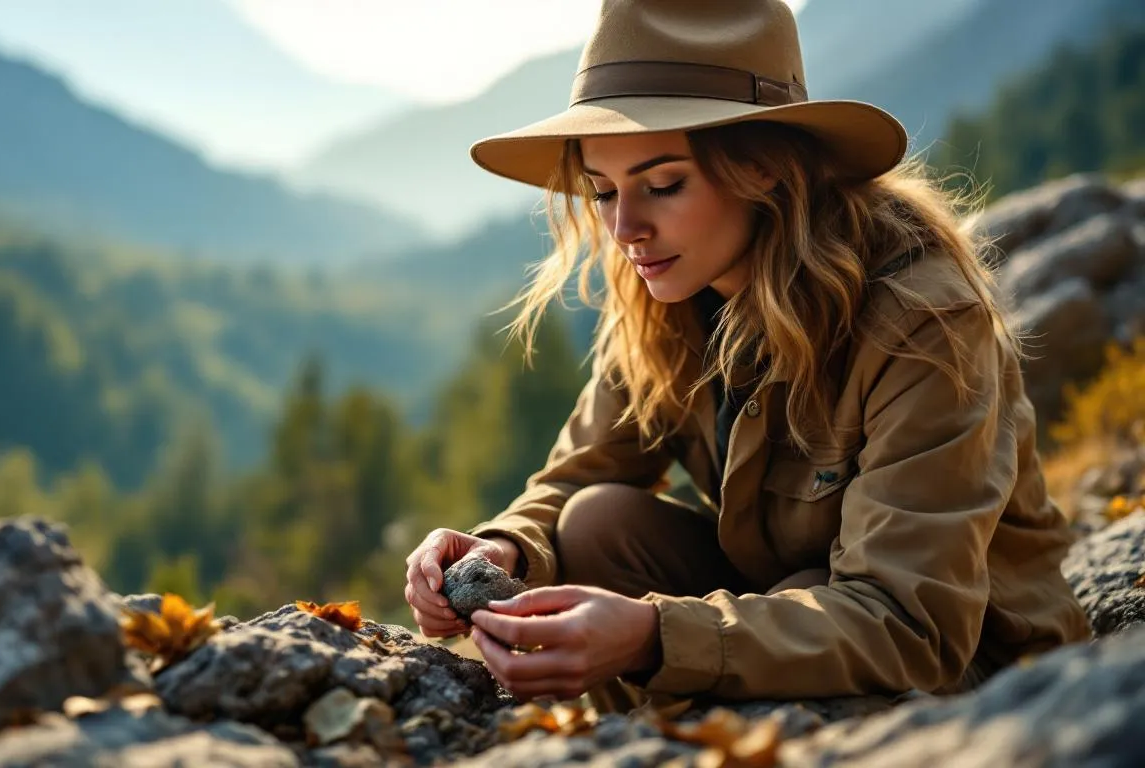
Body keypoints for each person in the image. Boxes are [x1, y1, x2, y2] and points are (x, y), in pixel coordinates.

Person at [402, 0, 1091, 714]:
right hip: (794, 611)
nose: (626, 229)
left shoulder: (922, 320)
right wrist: (499, 548)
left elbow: (912, 621)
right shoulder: (666, 296)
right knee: (593, 521)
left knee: (791, 601)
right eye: (603, 191)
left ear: (762, 166)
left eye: (663, 184)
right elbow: (580, 474)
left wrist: (653, 636)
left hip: (979, 664)